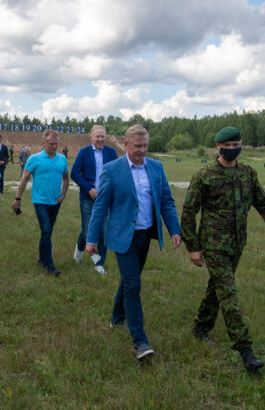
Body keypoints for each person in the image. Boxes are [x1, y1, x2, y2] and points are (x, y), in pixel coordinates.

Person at [181, 126, 265, 372]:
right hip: (214, 244)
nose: (231, 150)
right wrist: (193, 247)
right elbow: (189, 212)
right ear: (218, 147)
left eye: (235, 145)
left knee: (217, 287)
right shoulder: (204, 174)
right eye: (226, 146)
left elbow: (263, 202)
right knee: (228, 293)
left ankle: (200, 326)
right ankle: (245, 350)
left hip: (237, 243)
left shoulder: (248, 173)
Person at [86, 125, 182, 362]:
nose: (142, 150)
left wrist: (174, 230)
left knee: (130, 280)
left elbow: (167, 201)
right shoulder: (112, 170)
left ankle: (117, 318)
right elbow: (100, 206)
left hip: (145, 234)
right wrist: (91, 238)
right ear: (126, 145)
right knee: (133, 284)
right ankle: (139, 342)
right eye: (137, 146)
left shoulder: (156, 167)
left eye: (145, 146)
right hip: (122, 235)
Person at [12, 129, 69, 276]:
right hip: (40, 201)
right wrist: (17, 199)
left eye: (56, 144)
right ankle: (49, 266)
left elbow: (66, 178)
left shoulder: (62, 159)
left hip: (55, 202)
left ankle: (41, 259)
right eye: (51, 144)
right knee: (46, 230)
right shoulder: (34, 159)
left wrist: (63, 194)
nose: (54, 147)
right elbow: (24, 179)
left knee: (47, 233)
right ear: (43, 143)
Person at [71, 125, 118, 274]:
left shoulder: (111, 153)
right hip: (87, 199)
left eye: (103, 136)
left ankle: (98, 263)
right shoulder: (84, 152)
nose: (100, 139)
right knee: (87, 231)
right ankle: (79, 247)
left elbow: (116, 173)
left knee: (103, 232)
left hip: (105, 199)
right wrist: (88, 188)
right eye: (97, 136)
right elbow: (75, 173)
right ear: (91, 137)